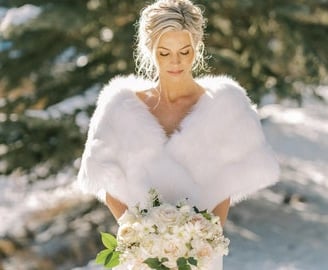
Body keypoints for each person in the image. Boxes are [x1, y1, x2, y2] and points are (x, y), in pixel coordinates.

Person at [77, 0, 280, 269]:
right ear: (150, 50)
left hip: (201, 255)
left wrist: (204, 242)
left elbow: (225, 186)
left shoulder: (225, 105)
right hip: (141, 257)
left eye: (185, 51)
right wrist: (143, 239)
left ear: (197, 47)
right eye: (164, 53)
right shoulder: (119, 107)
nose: (176, 62)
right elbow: (105, 180)